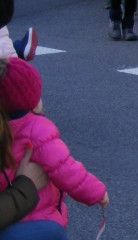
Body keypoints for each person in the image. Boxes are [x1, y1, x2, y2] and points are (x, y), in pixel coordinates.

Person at [0, 58, 109, 237]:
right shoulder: (38, 130)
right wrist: (96, 192)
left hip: (9, 215)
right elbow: (65, 169)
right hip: (37, 214)